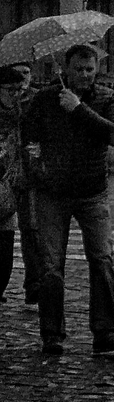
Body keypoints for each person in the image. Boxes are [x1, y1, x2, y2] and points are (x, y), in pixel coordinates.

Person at [22, 45, 114, 356]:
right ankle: (52, 334)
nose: (84, 75)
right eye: (79, 69)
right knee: (51, 267)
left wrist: (79, 109)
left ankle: (106, 331)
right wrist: (37, 168)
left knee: (102, 259)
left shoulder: (108, 98)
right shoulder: (45, 99)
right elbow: (29, 137)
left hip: (92, 192)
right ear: (65, 69)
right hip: (52, 194)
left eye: (90, 69)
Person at [0, 64, 35, 302]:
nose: (15, 94)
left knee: (5, 249)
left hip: (10, 187)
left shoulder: (23, 113)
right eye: (10, 90)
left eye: (18, 89)